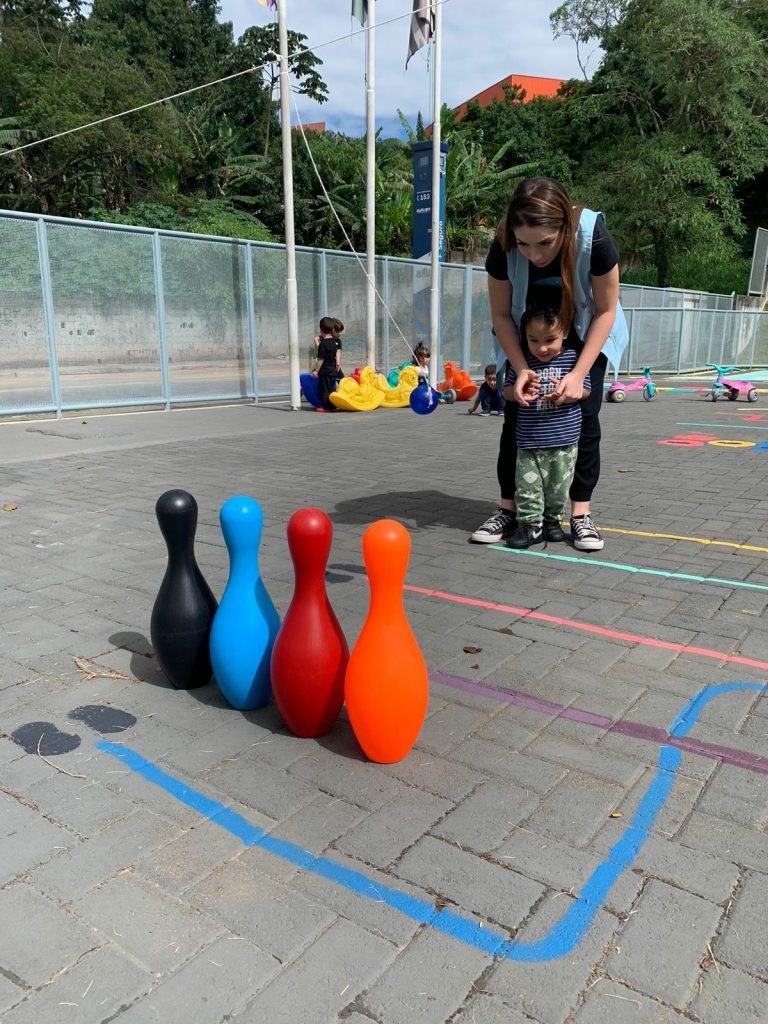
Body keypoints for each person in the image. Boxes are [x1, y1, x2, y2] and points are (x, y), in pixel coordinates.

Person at [470, 176, 628, 551]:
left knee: (584, 418)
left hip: (585, 332)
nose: (534, 255)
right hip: (527, 333)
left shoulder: (593, 237)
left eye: (545, 243)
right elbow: (501, 316)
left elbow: (605, 311)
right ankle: (509, 510)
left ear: (565, 227)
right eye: (523, 244)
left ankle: (580, 514)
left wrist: (579, 373)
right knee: (517, 413)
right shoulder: (503, 243)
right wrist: (521, 368)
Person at [502, 305, 591, 548]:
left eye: (550, 340)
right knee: (527, 487)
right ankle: (530, 525)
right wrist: (518, 391)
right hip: (529, 441)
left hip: (564, 442)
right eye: (534, 340)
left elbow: (585, 390)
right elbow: (507, 391)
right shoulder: (523, 363)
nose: (542, 348)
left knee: (558, 489)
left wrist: (567, 392)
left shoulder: (573, 359)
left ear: (565, 333)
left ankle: (552, 522)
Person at [310, 316, 340, 412]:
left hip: (325, 371)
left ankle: (326, 407)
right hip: (332, 371)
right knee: (331, 389)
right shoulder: (333, 343)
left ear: (321, 330)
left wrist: (316, 371)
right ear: (332, 329)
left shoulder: (323, 344)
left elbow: (320, 360)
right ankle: (332, 405)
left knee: (324, 390)